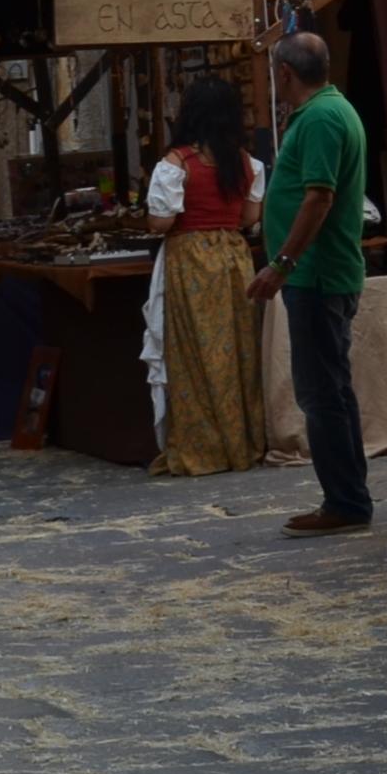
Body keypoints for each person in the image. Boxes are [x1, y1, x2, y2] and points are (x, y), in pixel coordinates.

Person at [247, 34, 373, 534]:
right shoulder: (329, 110)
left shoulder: (321, 117)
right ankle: (349, 496)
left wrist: (283, 262)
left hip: (318, 275)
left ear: (283, 73)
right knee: (332, 392)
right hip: (323, 272)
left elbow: (318, 196)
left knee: (322, 394)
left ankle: (344, 502)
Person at [142, 72, 266, 476]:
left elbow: (161, 223)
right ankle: (243, 441)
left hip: (191, 259)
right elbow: (250, 218)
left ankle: (204, 447)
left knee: (194, 356)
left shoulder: (176, 164)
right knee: (237, 352)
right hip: (233, 259)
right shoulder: (247, 163)